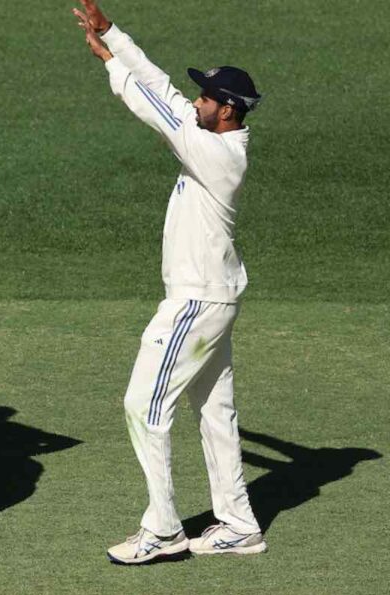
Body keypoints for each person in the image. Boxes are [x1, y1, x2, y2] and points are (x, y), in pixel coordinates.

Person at [72, 0, 266, 564]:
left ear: (227, 112)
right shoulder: (213, 137)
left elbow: (154, 103)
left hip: (195, 303)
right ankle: (238, 523)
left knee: (143, 407)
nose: (197, 102)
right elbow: (166, 90)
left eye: (207, 97)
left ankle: (162, 530)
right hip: (214, 297)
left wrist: (111, 62)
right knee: (214, 413)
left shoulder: (216, 153)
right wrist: (114, 34)